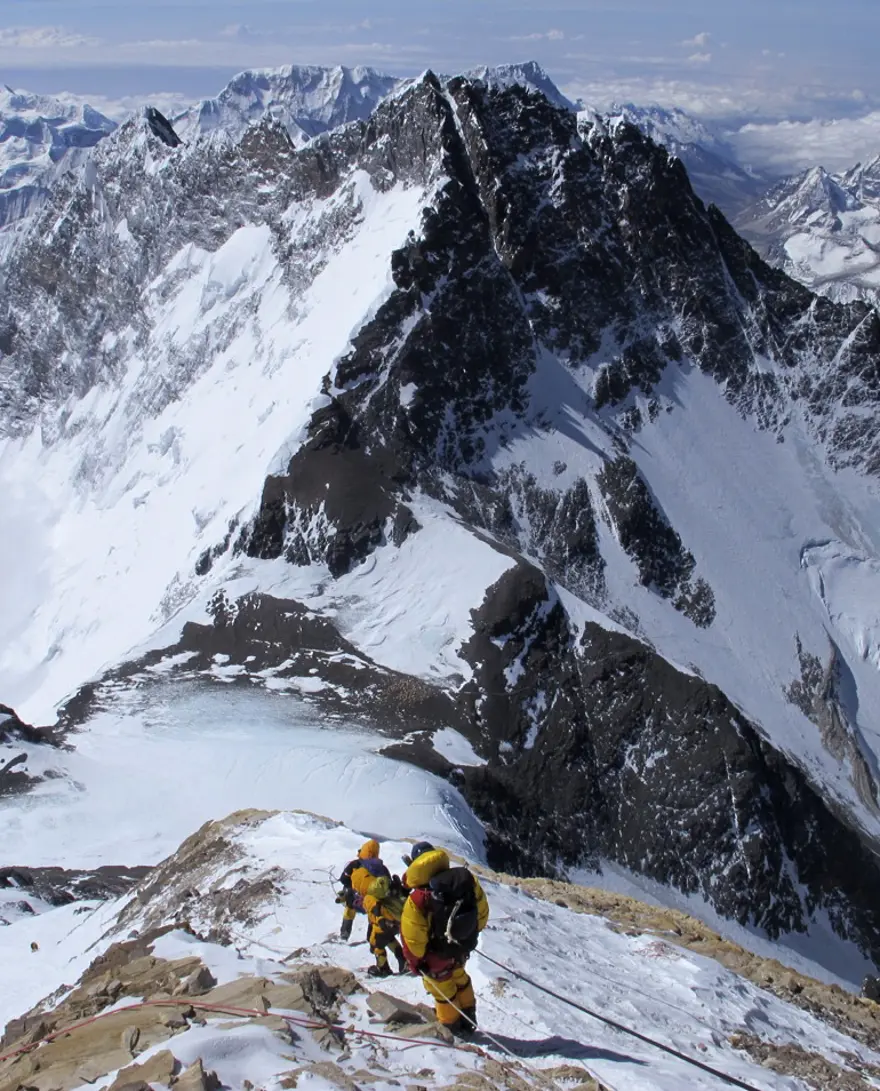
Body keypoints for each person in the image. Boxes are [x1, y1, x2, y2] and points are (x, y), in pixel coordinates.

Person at [400, 843, 489, 1036]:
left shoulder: (418, 898)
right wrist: (469, 934)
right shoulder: (464, 880)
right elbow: (481, 911)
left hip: (436, 954)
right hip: (460, 946)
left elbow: (413, 939)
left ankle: (451, 1027)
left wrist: (416, 963)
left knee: (443, 989)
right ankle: (468, 1016)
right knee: (459, 977)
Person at [336, 839, 389, 941]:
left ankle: (345, 933)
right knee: (373, 915)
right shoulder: (380, 867)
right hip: (372, 901)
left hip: (354, 899)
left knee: (349, 909)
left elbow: (344, 879)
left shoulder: (354, 864)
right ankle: (371, 938)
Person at [362, 873, 408, 977]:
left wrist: (381, 921)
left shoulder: (370, 898)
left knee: (378, 947)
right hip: (394, 924)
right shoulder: (391, 898)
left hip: (381, 928)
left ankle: (382, 969)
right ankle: (403, 962)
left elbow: (375, 911)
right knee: (391, 941)